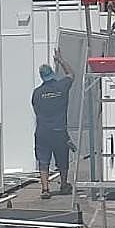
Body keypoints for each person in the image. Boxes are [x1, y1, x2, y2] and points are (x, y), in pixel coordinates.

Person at [32, 49, 74, 199]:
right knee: (62, 158)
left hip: (42, 131)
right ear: (52, 74)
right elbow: (71, 75)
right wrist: (61, 61)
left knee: (43, 160)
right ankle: (63, 184)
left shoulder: (37, 93)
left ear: (42, 77)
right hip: (59, 131)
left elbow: (36, 109)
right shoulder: (61, 87)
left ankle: (45, 189)